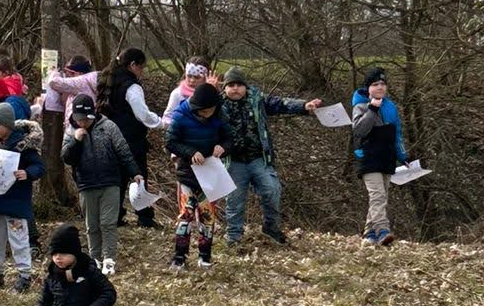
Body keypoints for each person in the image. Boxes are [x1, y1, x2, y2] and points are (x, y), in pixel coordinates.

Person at [217, 69, 323, 247]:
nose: (235, 89)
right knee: (234, 200)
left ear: (245, 87)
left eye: (239, 85)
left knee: (272, 190)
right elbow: (196, 108)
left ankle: (271, 228)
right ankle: (234, 236)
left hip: (259, 158)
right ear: (225, 88)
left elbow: (280, 104)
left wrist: (305, 106)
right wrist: (209, 89)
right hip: (233, 161)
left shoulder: (257, 100)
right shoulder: (218, 104)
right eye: (231, 85)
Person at [61, 92, 138, 272]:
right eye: (79, 119)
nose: (83, 123)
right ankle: (94, 258)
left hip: (110, 182)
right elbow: (67, 157)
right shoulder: (70, 131)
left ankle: (109, 258)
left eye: (86, 119)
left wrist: (135, 172)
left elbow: (123, 151)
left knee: (108, 223)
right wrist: (76, 141)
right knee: (92, 225)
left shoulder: (109, 126)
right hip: (86, 184)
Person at [164, 79, 227, 271]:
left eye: (210, 110)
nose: (207, 114)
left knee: (208, 217)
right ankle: (179, 257)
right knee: (186, 215)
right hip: (187, 174)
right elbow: (170, 142)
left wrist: (222, 147)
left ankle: (205, 256)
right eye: (204, 111)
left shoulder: (220, 114)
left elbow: (230, 138)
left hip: (210, 173)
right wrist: (190, 152)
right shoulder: (180, 115)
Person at [101, 47, 165, 229]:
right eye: (141, 67)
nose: (142, 71)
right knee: (139, 176)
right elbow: (142, 114)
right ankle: (144, 217)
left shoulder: (109, 81)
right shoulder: (132, 87)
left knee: (118, 179)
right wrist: (161, 123)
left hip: (112, 136)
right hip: (132, 137)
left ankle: (115, 216)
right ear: (133, 65)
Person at [0, 102, 44, 292]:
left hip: (16, 201)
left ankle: (24, 275)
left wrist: (27, 173)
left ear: (8, 125)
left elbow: (38, 166)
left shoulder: (23, 144)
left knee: (19, 238)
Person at [350, 68, 410, 246]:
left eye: (383, 84)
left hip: (387, 158)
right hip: (369, 158)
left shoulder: (391, 107)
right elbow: (359, 130)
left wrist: (403, 156)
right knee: (378, 196)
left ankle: (369, 233)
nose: (380, 87)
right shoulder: (360, 106)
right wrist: (372, 109)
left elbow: (397, 134)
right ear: (368, 87)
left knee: (382, 196)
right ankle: (383, 231)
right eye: (375, 84)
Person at [41, 56, 99, 120]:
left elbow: (54, 82)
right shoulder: (89, 80)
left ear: (79, 73)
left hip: (79, 122)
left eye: (71, 73)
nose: (68, 76)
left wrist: (54, 73)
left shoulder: (81, 82)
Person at [163, 59, 217, 124]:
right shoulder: (177, 94)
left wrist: (211, 91)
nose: (192, 80)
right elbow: (167, 117)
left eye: (197, 77)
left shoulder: (212, 93)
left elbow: (220, 117)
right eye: (189, 76)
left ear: (206, 78)